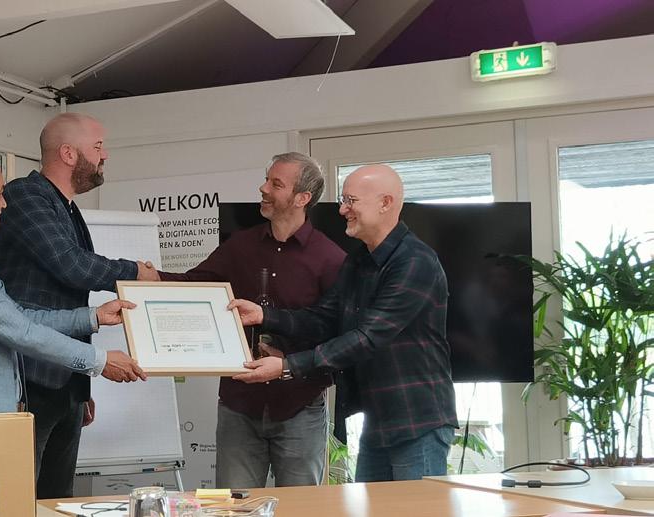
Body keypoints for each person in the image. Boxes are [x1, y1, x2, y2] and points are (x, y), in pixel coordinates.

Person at [229, 164, 457, 482]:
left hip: (417, 421)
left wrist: (286, 366)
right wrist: (265, 316)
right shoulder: (358, 260)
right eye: (343, 200)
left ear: (386, 203)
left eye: (351, 201)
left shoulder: (415, 262)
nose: (342, 210)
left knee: (415, 507)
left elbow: (367, 338)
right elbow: (325, 318)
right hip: (378, 419)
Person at [0, 113, 159, 498]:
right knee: (18, 499)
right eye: (97, 147)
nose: (105, 155)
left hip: (64, 381)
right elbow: (70, 266)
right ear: (68, 153)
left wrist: (79, 391)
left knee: (57, 498)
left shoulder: (65, 206)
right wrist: (135, 272)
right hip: (28, 380)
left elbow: (68, 290)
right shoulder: (25, 196)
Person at [0, 152, 146, 418]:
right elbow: (21, 331)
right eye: (0, 194)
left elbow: (19, 318)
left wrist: (93, 317)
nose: (4, 204)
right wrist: (99, 361)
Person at [157, 153, 344, 488]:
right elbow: (194, 285)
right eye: (266, 179)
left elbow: (336, 333)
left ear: (302, 198)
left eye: (276, 184)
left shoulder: (331, 259)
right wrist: (148, 278)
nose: (263, 188)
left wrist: (288, 360)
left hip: (300, 406)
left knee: (302, 510)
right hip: (238, 405)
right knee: (234, 507)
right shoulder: (240, 246)